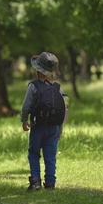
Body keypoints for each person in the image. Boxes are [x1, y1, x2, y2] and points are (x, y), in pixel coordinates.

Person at [20, 52, 67, 191]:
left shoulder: (33, 86)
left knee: (34, 153)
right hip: (54, 128)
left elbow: (26, 105)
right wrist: (60, 130)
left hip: (38, 126)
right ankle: (50, 183)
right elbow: (64, 112)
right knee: (50, 156)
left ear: (37, 70)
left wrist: (24, 120)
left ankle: (35, 181)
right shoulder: (60, 89)